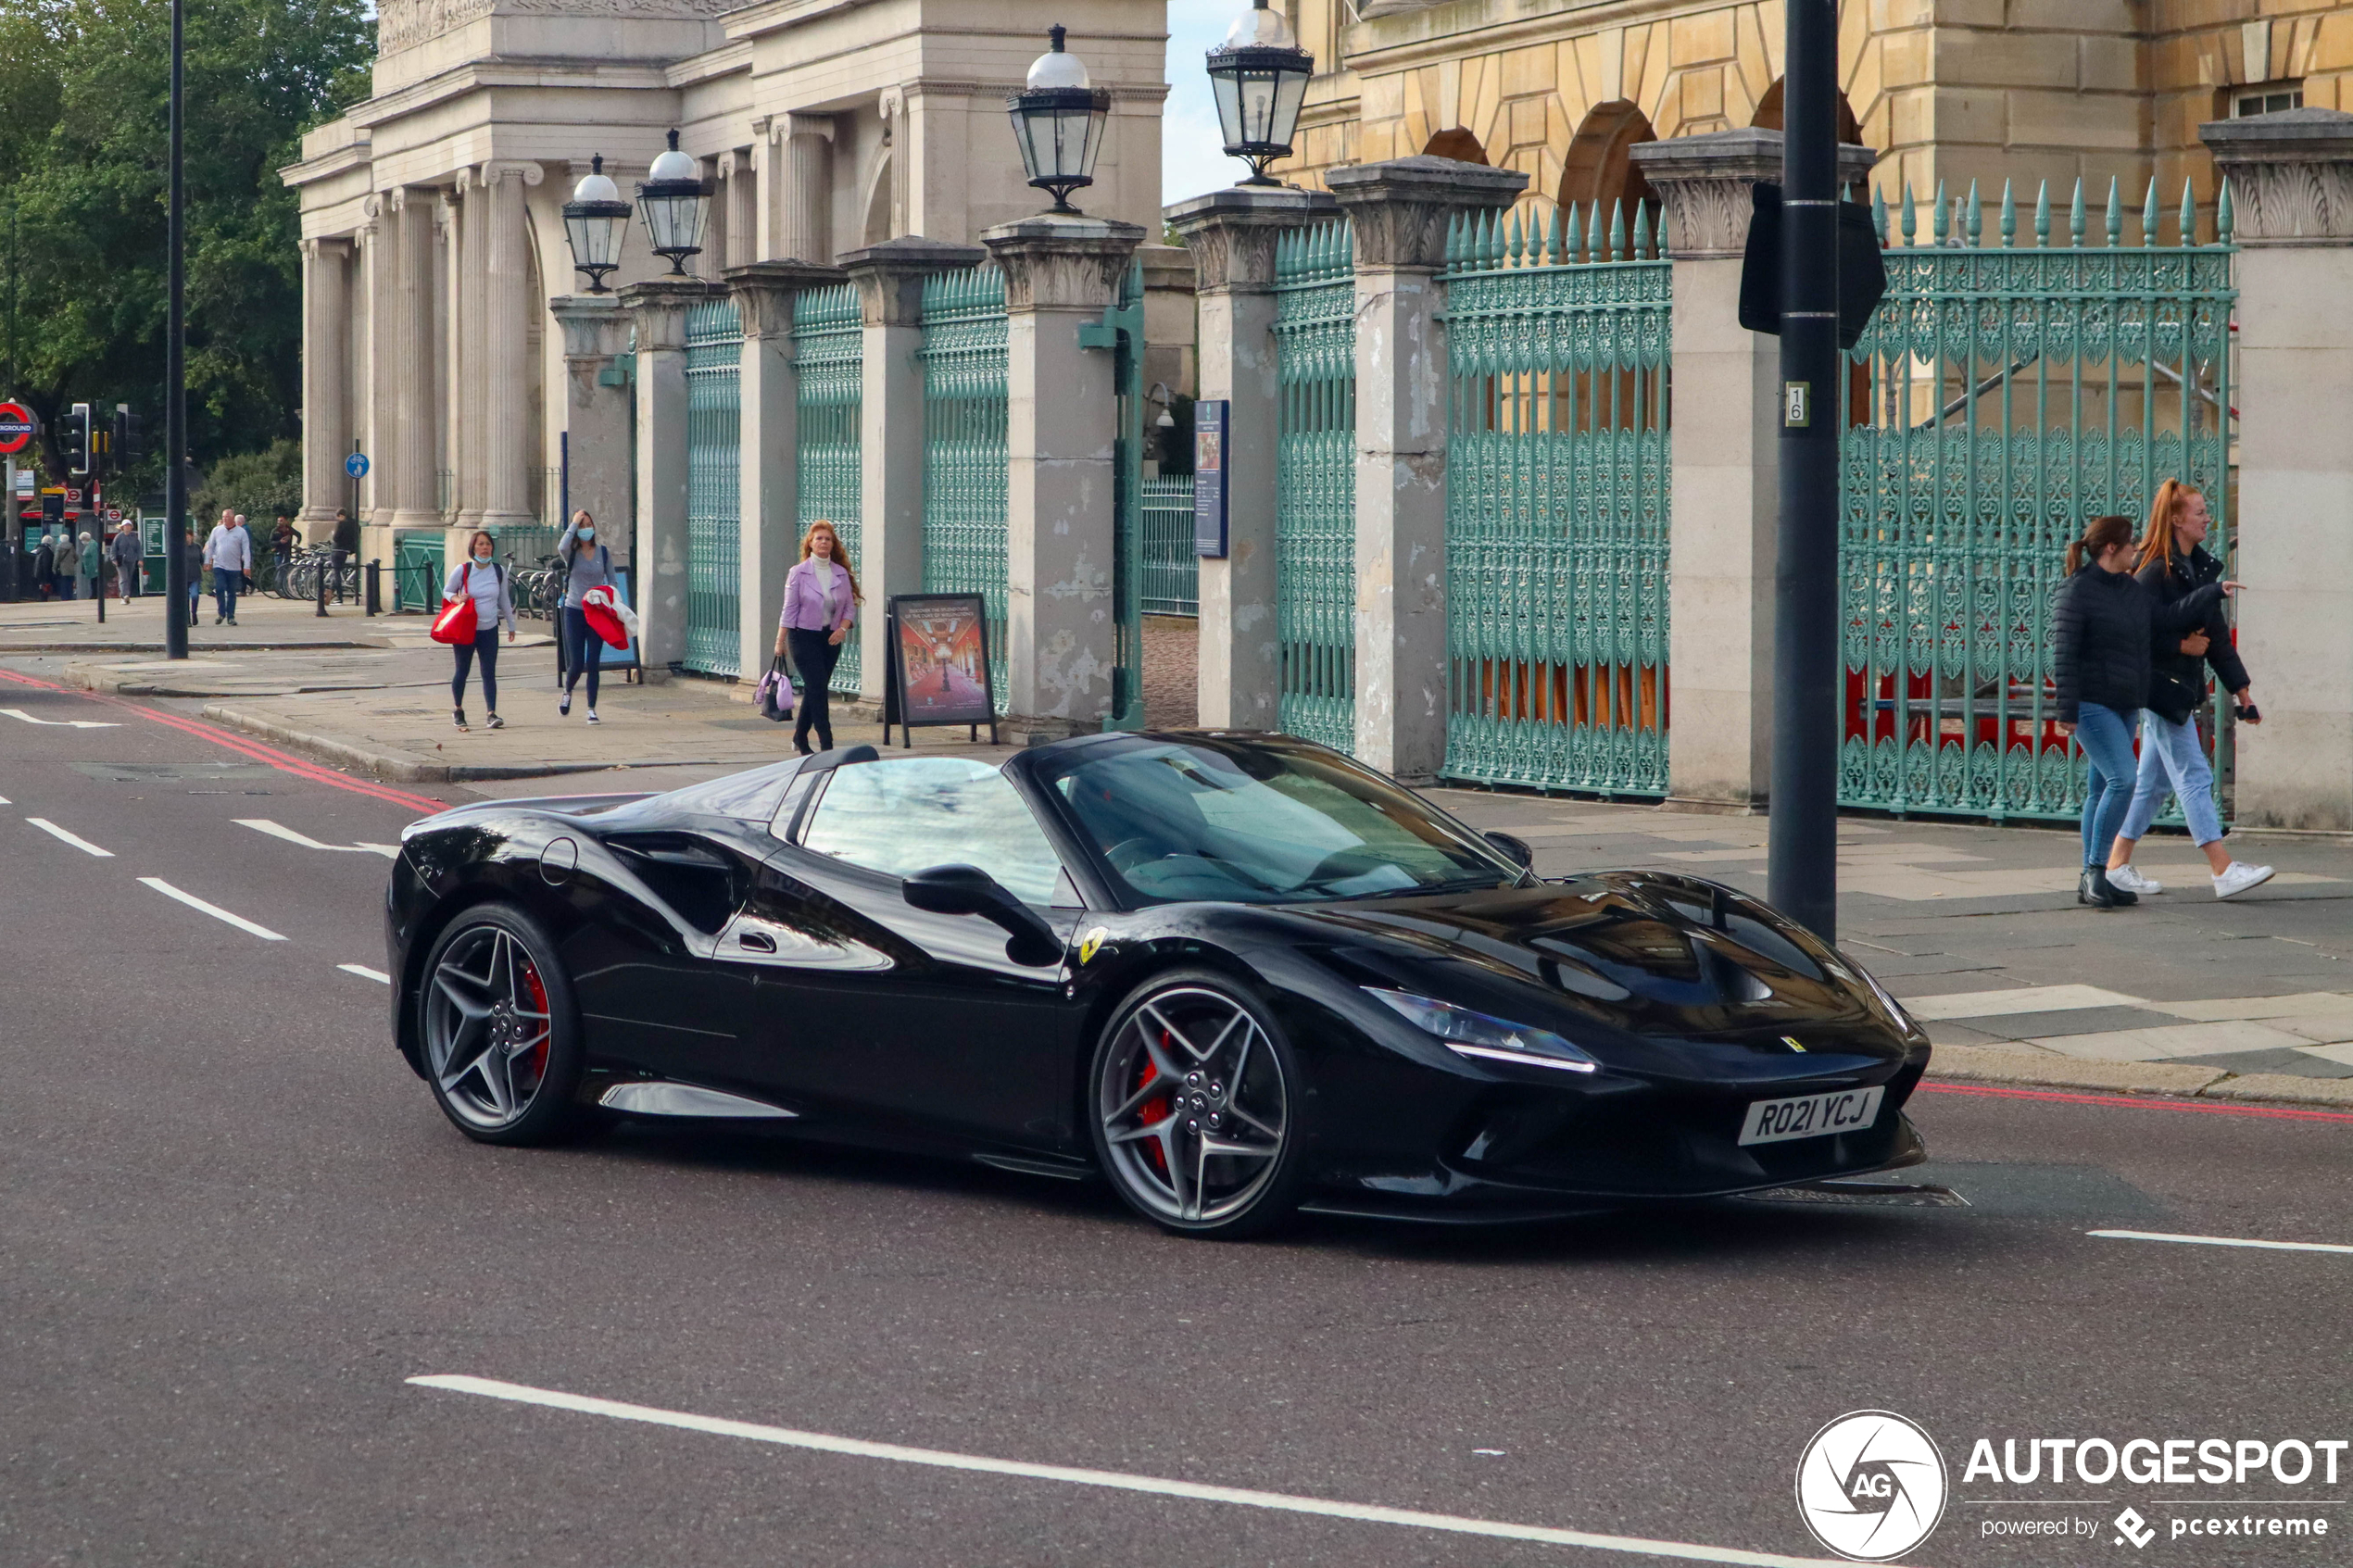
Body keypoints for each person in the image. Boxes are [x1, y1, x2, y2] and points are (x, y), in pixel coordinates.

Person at [2103, 481, 2274, 901]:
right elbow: (2133, 631)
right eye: (2199, 512)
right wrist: (2179, 644)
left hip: (2178, 687)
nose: (2207, 518)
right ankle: (2222, 868)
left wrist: (2242, 690)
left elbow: (2216, 636)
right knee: (2194, 773)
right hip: (2160, 691)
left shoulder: (2196, 567)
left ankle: (2115, 865)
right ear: (2177, 518)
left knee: (2153, 783)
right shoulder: (2153, 569)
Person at [2053, 513, 2233, 909]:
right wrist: (2066, 708)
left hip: (2125, 701)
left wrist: (2209, 593)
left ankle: (2090, 878)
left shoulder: (2128, 590)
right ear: (2111, 548)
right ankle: (2098, 871)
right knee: (2124, 780)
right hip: (2091, 702)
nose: (2138, 547)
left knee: (2100, 789)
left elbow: (2163, 622)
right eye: (2131, 542)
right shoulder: (2077, 590)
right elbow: (2064, 653)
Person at [774, 519, 861, 756]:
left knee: (816, 688)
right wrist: (780, 641)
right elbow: (789, 608)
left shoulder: (840, 573)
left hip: (830, 639)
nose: (823, 542)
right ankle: (827, 745)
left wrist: (842, 629)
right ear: (810, 544)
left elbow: (849, 608)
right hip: (803, 637)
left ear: (833, 545)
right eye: (819, 538)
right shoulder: (798, 573)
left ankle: (800, 737)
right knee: (818, 689)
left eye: (828, 539)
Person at [445, 529, 516, 731]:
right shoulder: (464, 570)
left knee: (489, 672)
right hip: (466, 629)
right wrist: (457, 598)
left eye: (488, 544)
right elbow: (447, 590)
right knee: (462, 670)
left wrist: (511, 624)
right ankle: (458, 710)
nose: (485, 548)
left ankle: (491, 713)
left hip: (489, 628)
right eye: (480, 544)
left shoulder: (498, 571)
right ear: (473, 548)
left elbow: (504, 599)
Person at [555, 509, 614, 724]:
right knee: (577, 662)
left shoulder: (603, 552)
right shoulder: (572, 553)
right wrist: (573, 523)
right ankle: (568, 690)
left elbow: (613, 581)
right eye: (582, 525)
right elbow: (561, 546)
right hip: (574, 610)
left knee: (593, 662)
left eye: (588, 524)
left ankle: (591, 709)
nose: (586, 529)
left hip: (597, 612)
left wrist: (605, 593)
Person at [202, 508, 250, 624]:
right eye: (223, 517)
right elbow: (210, 546)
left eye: (227, 517)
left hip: (234, 567)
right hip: (219, 565)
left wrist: (247, 566)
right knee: (219, 588)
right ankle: (221, 613)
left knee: (231, 592)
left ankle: (231, 617)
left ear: (233, 518)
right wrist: (207, 561)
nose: (224, 519)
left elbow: (246, 549)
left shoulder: (241, 532)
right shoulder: (217, 530)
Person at [331, 506, 359, 604]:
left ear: (341, 516)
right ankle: (332, 591)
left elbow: (336, 538)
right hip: (347, 550)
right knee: (338, 571)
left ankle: (338, 596)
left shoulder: (341, 523)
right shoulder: (354, 523)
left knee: (336, 573)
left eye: (338, 517)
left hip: (337, 549)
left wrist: (334, 533)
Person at [110, 521, 142, 600]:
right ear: (122, 527)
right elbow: (113, 549)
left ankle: (123, 594)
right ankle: (125, 595)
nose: (127, 527)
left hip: (131, 560)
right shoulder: (118, 537)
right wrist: (114, 559)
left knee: (129, 577)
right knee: (124, 577)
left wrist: (140, 559)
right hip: (121, 561)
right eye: (126, 526)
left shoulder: (134, 537)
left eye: (129, 526)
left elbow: (138, 549)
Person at [182, 526, 205, 627]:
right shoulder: (180, 548)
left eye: (187, 535)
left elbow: (202, 560)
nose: (186, 538)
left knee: (195, 595)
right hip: (183, 577)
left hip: (195, 575)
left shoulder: (197, 547)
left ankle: (194, 613)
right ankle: (187, 619)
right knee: (185, 599)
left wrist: (206, 565)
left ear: (191, 536)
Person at [271, 516, 298, 589]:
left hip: (287, 552)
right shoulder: (275, 531)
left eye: (281, 521)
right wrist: (279, 542)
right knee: (279, 570)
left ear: (286, 521)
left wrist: (296, 543)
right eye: (278, 521)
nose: (279, 522)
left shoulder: (289, 530)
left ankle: (284, 587)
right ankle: (278, 587)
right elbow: (271, 542)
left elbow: (299, 535)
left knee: (285, 570)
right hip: (279, 552)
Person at [33, 533, 55, 601]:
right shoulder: (47, 551)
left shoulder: (39, 550)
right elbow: (46, 564)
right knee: (45, 589)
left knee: (41, 587)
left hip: (38, 572)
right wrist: (48, 575)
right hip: (44, 573)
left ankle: (41, 598)